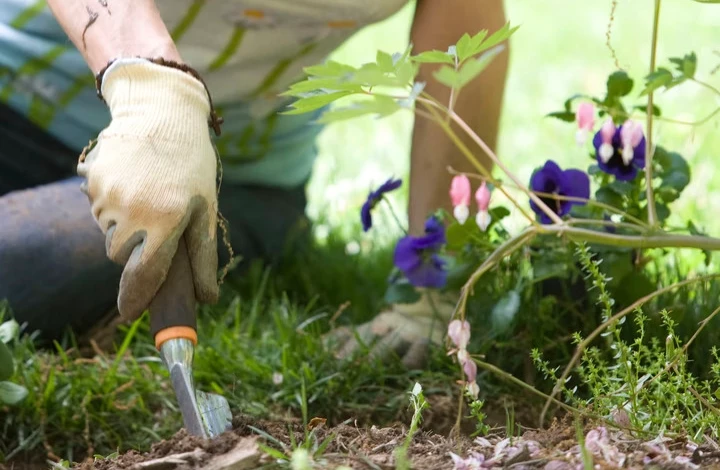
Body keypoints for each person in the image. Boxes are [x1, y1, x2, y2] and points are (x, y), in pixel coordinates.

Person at [0, 0, 508, 367]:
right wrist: (152, 90)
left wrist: (435, 281)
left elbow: (464, 31)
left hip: (230, 174)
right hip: (18, 103)